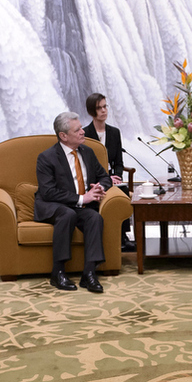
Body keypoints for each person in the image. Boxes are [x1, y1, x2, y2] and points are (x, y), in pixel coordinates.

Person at [35, 111, 113, 293]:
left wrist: (99, 187)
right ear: (63, 136)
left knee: (94, 218)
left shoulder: (87, 152)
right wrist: (81, 198)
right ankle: (58, 272)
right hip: (53, 205)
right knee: (67, 214)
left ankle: (89, 273)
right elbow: (48, 192)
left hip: (79, 205)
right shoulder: (46, 157)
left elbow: (105, 176)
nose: (83, 132)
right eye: (77, 130)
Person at [83, 93, 135, 252]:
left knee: (122, 189)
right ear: (92, 112)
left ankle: (123, 236)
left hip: (113, 177)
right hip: (94, 179)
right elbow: (85, 164)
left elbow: (119, 162)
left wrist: (117, 176)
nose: (104, 111)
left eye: (105, 106)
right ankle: (117, 237)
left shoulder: (114, 132)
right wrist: (106, 177)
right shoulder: (84, 134)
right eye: (99, 108)